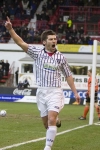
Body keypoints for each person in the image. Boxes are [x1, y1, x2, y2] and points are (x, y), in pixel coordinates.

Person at [5, 17, 80, 150]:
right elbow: (20, 42)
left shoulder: (61, 58)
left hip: (55, 91)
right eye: (51, 39)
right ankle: (56, 120)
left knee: (50, 119)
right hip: (41, 92)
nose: (54, 41)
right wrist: (10, 29)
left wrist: (75, 92)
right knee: (47, 124)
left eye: (55, 39)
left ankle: (47, 147)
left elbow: (68, 75)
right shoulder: (37, 52)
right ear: (44, 42)